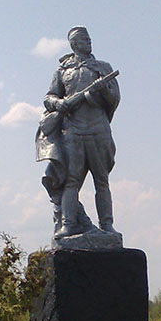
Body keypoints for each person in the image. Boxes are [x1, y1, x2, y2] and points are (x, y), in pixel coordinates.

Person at [36, 27, 120, 239]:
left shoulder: (102, 67)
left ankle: (107, 226)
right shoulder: (62, 70)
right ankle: (68, 224)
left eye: (89, 37)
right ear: (74, 44)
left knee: (102, 180)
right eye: (83, 39)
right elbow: (49, 97)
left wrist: (103, 91)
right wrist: (60, 103)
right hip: (73, 130)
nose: (88, 41)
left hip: (98, 129)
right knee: (72, 180)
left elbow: (114, 99)